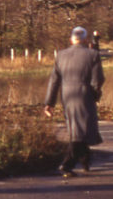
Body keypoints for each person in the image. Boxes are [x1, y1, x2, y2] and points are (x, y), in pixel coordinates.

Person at [43, 26, 105, 176]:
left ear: (71, 39)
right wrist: (95, 95)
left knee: (77, 128)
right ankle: (67, 164)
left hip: (67, 96)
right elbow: (98, 80)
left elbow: (54, 81)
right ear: (84, 39)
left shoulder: (60, 55)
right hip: (84, 94)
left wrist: (49, 103)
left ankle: (85, 161)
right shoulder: (93, 55)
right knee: (81, 130)